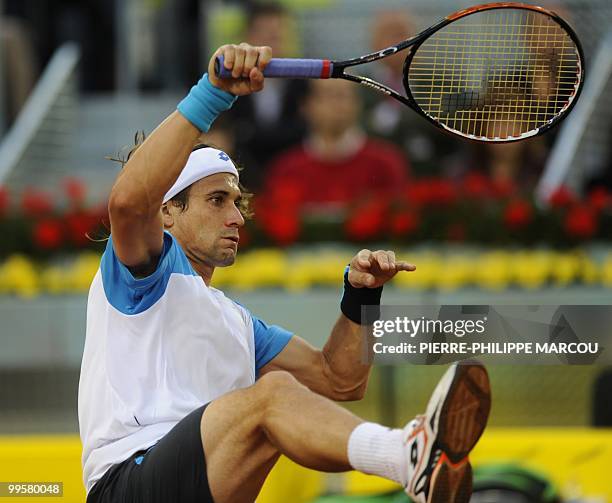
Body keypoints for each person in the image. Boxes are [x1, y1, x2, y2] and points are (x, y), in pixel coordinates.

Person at [78, 42, 491, 503]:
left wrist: (360, 298)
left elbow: (340, 380)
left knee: (277, 395)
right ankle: (405, 456)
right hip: (128, 484)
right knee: (273, 393)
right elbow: (129, 202)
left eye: (237, 202)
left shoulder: (237, 324)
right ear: (167, 212)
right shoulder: (144, 271)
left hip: (196, 483)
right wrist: (212, 94)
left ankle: (409, 457)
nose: (236, 217)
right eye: (217, 201)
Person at [263, 78, 409, 210]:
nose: (337, 104)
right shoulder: (287, 168)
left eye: (344, 95)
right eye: (327, 95)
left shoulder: (385, 162)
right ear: (305, 106)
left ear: (358, 103)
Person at [228, 1, 307, 189]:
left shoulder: (304, 84)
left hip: (295, 180)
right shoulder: (229, 83)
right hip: (243, 179)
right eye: (268, 35)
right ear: (248, 37)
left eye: (279, 35)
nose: (274, 42)